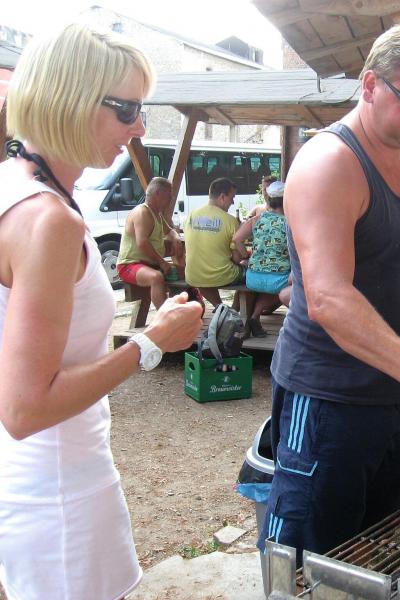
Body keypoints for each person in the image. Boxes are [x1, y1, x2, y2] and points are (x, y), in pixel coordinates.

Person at [261, 16, 400, 561]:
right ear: (369, 85)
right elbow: (328, 297)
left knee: (370, 551)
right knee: (308, 558)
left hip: (395, 394)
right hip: (331, 398)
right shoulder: (330, 164)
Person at [0, 23, 203, 599]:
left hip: (29, 482)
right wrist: (151, 342)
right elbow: (25, 408)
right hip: (59, 494)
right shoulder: (49, 220)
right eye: (128, 110)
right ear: (71, 99)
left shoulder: (14, 187)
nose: (140, 128)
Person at [232, 180, 292, 338]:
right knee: (288, 282)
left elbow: (237, 239)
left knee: (270, 282)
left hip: (253, 277)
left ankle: (254, 317)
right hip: (279, 279)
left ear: (269, 200)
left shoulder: (256, 219)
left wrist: (246, 257)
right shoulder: (290, 222)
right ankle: (295, 323)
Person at [116, 176, 183, 309]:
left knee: (185, 273)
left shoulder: (157, 214)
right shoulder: (142, 212)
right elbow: (142, 243)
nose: (171, 198)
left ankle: (183, 307)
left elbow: (169, 231)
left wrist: (175, 237)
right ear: (158, 193)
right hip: (129, 265)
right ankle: (166, 316)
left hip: (150, 264)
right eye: (169, 194)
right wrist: (162, 262)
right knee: (156, 277)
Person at [183, 177, 245, 306]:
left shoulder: (191, 215)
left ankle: (220, 308)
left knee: (205, 278)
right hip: (223, 276)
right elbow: (237, 258)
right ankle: (235, 311)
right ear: (222, 197)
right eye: (232, 198)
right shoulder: (230, 221)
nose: (233, 202)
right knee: (253, 276)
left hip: (193, 275)